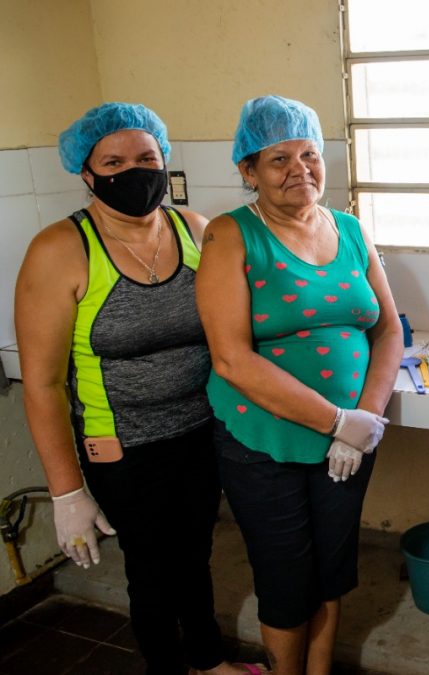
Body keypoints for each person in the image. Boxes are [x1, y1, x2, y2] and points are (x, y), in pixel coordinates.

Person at [14, 103, 260, 674]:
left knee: (195, 556)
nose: (136, 170)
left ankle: (208, 660)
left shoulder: (195, 230)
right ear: (87, 172)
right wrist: (66, 491)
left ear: (165, 159)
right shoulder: (61, 250)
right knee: (150, 569)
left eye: (147, 157)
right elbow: (45, 383)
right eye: (114, 161)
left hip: (202, 431)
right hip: (120, 445)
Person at [195, 95, 403, 675]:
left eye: (310, 154)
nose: (299, 169)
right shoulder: (230, 237)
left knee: (332, 574)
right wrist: (337, 421)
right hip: (266, 442)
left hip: (350, 441)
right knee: (287, 582)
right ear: (248, 171)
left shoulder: (351, 230)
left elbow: (389, 332)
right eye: (278, 159)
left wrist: (363, 421)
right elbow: (231, 358)